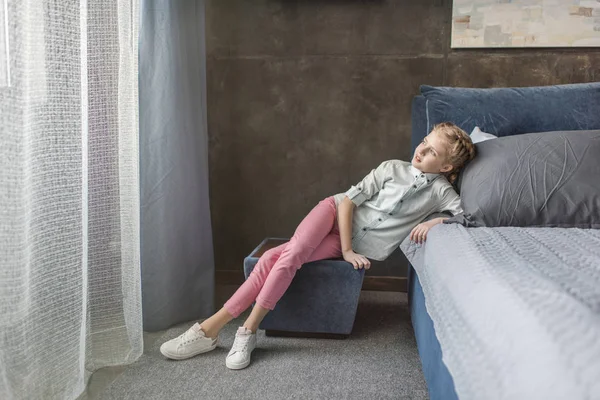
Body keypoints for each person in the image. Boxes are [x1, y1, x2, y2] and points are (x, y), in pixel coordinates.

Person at [160, 122, 476, 369]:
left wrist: (434, 221)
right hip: (333, 212)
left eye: (432, 152)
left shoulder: (440, 193)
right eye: (424, 142)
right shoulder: (390, 168)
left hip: (347, 242)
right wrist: (349, 250)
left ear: (446, 167)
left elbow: (469, 216)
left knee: (272, 258)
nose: (421, 151)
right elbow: (349, 202)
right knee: (292, 255)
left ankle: (209, 331)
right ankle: (245, 331)